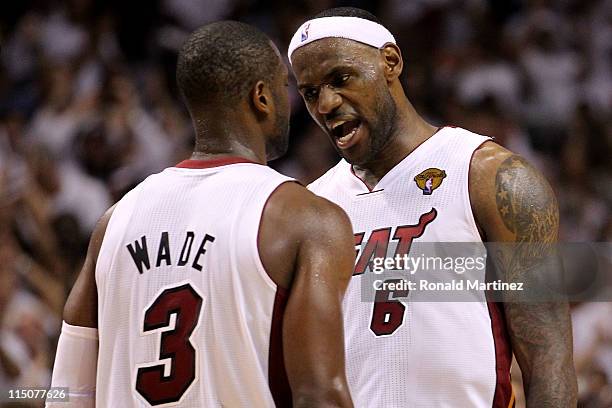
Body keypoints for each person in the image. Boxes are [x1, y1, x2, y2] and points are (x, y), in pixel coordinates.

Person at [47, 21, 355, 408]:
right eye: (285, 86)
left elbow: (68, 392)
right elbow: (319, 396)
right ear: (261, 97)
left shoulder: (114, 222)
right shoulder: (305, 218)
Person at [288, 7, 577, 407]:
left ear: (390, 61)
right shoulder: (308, 206)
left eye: (341, 79)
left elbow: (548, 357)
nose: (326, 103)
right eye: (310, 92)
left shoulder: (488, 174)